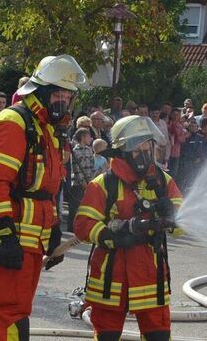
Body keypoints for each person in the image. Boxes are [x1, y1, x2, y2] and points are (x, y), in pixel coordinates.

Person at [0, 54, 86, 340]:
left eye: (68, 96)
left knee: (3, 313)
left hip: (29, 237)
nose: (63, 102)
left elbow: (48, 186)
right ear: (41, 91)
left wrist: (54, 227)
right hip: (7, 235)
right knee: (7, 315)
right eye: (58, 94)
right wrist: (5, 233)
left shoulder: (45, 128)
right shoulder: (13, 122)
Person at [73, 115, 183, 341]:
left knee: (159, 336)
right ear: (122, 150)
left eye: (147, 144)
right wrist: (119, 232)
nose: (144, 151)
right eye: (137, 145)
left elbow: (183, 225)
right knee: (107, 336)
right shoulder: (104, 184)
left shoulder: (163, 181)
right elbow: (83, 226)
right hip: (111, 276)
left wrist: (172, 213)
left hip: (150, 275)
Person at [68, 127, 94, 233]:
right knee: (75, 206)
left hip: (89, 181)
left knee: (85, 206)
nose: (90, 138)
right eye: (88, 136)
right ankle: (72, 227)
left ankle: (82, 227)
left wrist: (91, 180)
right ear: (83, 137)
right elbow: (76, 168)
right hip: (78, 183)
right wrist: (82, 181)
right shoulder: (75, 151)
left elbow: (92, 166)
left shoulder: (89, 150)